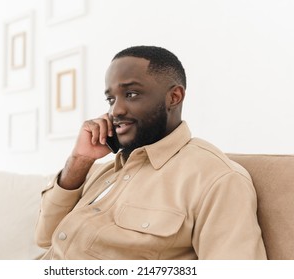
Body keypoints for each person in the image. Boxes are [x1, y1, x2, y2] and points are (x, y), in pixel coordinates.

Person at [35, 46, 267, 260]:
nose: (115, 110)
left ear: (174, 97)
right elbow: (45, 238)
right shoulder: (106, 169)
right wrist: (79, 160)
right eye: (110, 99)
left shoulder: (216, 179)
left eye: (132, 94)